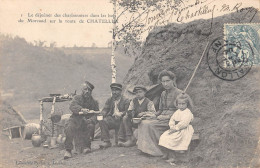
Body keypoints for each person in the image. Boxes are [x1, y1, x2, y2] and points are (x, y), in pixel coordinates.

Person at [137, 70, 183, 156]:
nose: (165, 84)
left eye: (167, 81)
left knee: (149, 125)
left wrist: (167, 117)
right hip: (161, 118)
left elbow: (181, 112)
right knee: (143, 122)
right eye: (163, 82)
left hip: (172, 120)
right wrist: (152, 114)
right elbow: (160, 110)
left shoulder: (179, 93)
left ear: (173, 80)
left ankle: (158, 151)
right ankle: (146, 149)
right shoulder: (163, 93)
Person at [64, 81, 99, 159]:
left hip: (86, 121)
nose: (87, 91)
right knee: (69, 127)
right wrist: (81, 109)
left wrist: (91, 120)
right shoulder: (77, 98)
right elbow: (72, 106)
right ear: (82, 90)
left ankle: (87, 147)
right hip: (75, 120)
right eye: (85, 89)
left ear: (91, 92)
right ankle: (68, 150)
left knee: (90, 126)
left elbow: (97, 114)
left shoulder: (94, 102)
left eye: (89, 90)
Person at [159, 92, 194, 164]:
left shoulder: (187, 112)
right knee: (164, 136)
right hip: (175, 128)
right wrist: (172, 126)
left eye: (183, 104)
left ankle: (173, 157)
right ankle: (167, 153)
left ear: (187, 104)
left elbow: (184, 123)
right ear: (177, 104)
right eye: (179, 104)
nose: (181, 106)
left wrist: (176, 129)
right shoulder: (177, 111)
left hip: (184, 129)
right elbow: (172, 119)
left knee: (173, 138)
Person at [99, 83, 130, 148]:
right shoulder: (109, 100)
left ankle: (121, 139)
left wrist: (121, 113)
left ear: (120, 91)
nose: (114, 92)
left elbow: (128, 111)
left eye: (116, 90)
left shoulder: (126, 100)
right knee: (101, 120)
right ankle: (106, 141)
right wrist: (101, 115)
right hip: (112, 119)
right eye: (113, 90)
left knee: (118, 143)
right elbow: (105, 109)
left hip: (121, 120)